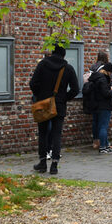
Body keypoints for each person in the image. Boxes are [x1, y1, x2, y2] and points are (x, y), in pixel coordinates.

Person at [29, 45, 80, 175]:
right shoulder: (67, 68)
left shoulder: (42, 65)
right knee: (57, 134)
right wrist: (63, 98)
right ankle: (54, 165)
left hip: (43, 104)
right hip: (59, 105)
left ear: (52, 53)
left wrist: (41, 96)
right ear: (63, 55)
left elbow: (33, 84)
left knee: (43, 133)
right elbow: (75, 89)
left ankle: (42, 162)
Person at [87, 62, 112, 154]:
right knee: (103, 126)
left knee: (98, 125)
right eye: (110, 72)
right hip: (104, 105)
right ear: (107, 71)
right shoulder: (102, 79)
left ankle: (104, 144)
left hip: (95, 105)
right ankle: (103, 147)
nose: (111, 75)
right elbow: (105, 93)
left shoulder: (94, 77)